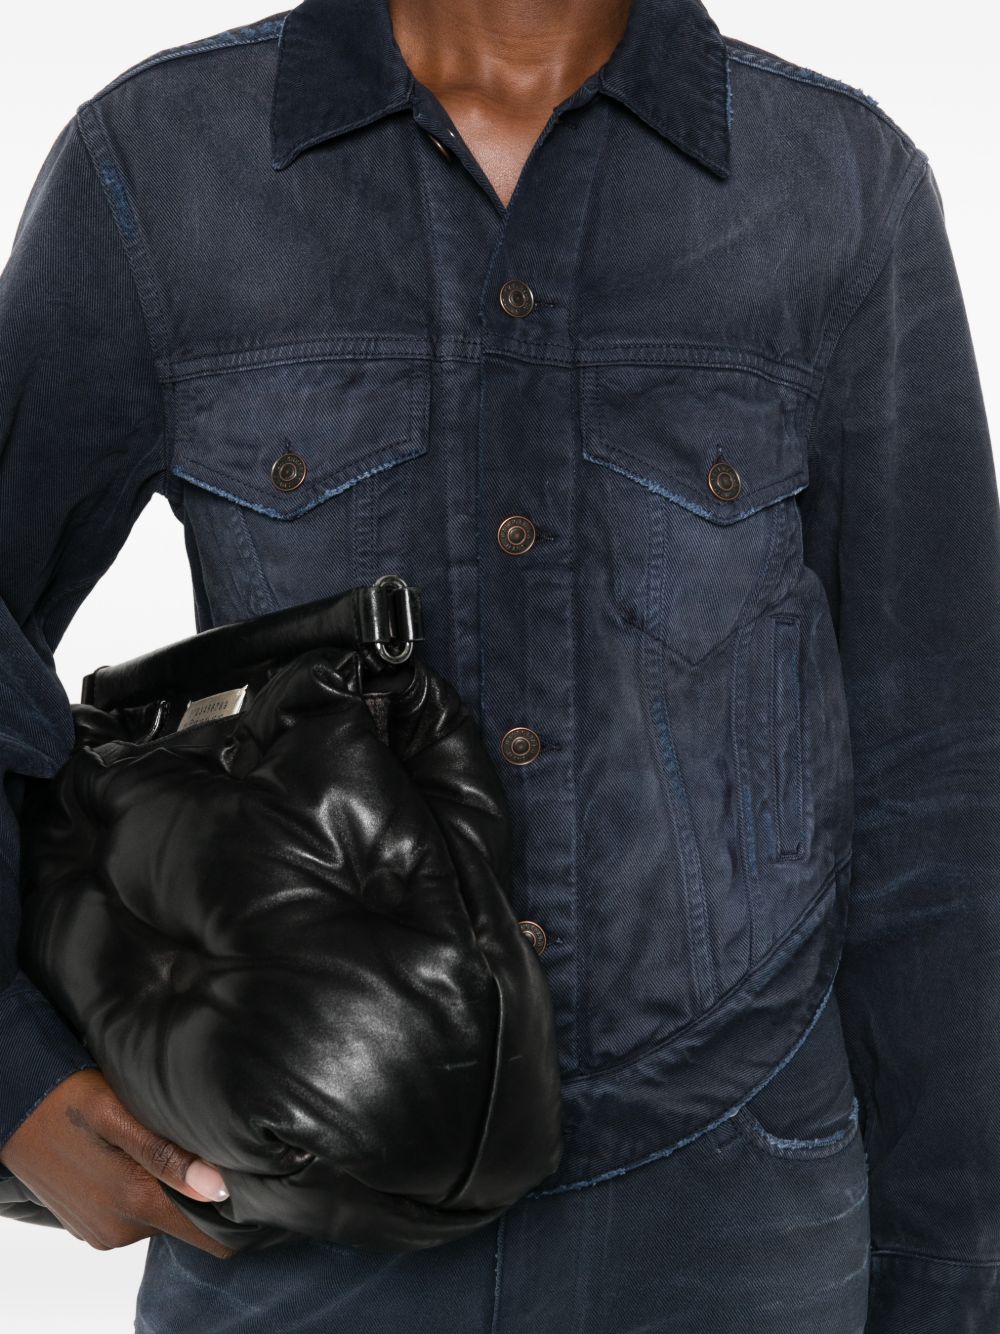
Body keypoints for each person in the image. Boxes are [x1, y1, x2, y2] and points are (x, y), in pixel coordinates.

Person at [0, 0, 997, 1329]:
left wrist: (949, 1276)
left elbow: (940, 773)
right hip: (298, 1208)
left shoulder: (839, 187)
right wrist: (13, 1074)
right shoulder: (160, 163)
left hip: (737, 1203)